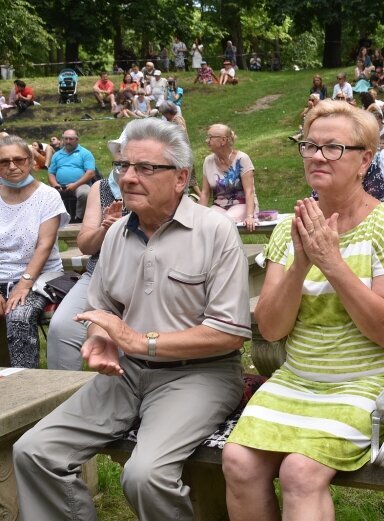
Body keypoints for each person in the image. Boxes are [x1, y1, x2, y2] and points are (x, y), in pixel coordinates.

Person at [13, 118, 250, 521]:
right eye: (124, 166)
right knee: (34, 452)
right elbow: (104, 310)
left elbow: (227, 334)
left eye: (145, 168)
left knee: (145, 475)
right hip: (125, 374)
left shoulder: (216, 231)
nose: (128, 177)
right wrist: (101, 338)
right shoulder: (119, 232)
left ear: (181, 178)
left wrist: (141, 342)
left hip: (200, 375)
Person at [222, 100, 384, 520]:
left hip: (374, 383)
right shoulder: (288, 226)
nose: (317, 155)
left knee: (300, 471)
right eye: (310, 146)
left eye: (333, 148)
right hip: (299, 379)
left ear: (364, 159)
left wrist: (332, 263)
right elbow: (273, 329)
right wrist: (301, 262)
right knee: (238, 463)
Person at [47, 144, 125, 370]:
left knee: (124, 333)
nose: (125, 170)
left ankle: (120, 394)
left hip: (143, 275)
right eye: (119, 163)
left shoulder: (158, 191)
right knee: (62, 327)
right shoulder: (101, 188)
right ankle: (61, 395)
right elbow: (85, 246)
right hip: (98, 273)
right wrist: (104, 229)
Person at [0, 135, 68, 368]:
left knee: (19, 316)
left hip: (38, 277)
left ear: (30, 161)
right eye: (4, 161)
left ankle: (24, 383)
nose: (12, 166)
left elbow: (44, 245)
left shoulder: (48, 196)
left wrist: (23, 284)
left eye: (18, 160)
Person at [200, 124, 258, 230]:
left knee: (224, 222)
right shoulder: (208, 161)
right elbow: (205, 193)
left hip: (242, 204)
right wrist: (198, 217)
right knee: (206, 223)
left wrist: (250, 216)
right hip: (219, 206)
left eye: (210, 137)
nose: (207, 141)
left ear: (223, 140)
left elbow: (249, 191)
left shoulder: (242, 159)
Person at [48, 129, 96, 223]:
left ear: (77, 139)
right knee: (47, 194)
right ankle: (53, 220)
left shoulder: (85, 153)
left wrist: (75, 184)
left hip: (80, 185)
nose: (68, 141)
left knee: (85, 193)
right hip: (59, 185)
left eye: (71, 139)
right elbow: (51, 173)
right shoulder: (57, 155)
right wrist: (54, 184)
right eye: (65, 139)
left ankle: (79, 218)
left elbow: (90, 173)